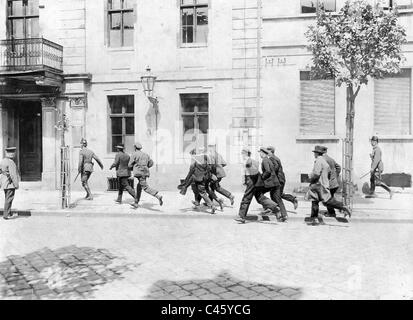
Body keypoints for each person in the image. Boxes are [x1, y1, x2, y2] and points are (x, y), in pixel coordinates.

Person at [305, 146, 351, 224]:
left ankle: (342, 206)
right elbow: (329, 172)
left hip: (318, 185)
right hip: (323, 184)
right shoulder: (324, 161)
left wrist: (310, 177)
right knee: (316, 201)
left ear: (317, 153)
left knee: (325, 201)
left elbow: (316, 174)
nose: (314, 154)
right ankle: (314, 218)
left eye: (315, 153)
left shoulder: (318, 161)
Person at [235, 148, 277, 224]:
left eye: (242, 154)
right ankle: (273, 206)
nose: (242, 155)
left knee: (246, 198)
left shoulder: (247, 161)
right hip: (256, 181)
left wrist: (244, 181)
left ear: (245, 154)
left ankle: (241, 216)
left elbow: (245, 172)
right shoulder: (253, 161)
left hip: (251, 181)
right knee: (259, 197)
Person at [128, 142, 163, 207]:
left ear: (135, 147)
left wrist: (134, 168)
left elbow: (129, 165)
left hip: (139, 173)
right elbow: (151, 163)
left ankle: (158, 196)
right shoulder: (145, 154)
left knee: (145, 187)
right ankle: (136, 202)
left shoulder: (134, 154)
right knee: (139, 187)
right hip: (145, 172)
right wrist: (146, 167)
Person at [258, 147, 288, 222]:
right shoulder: (269, 159)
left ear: (263, 153)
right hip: (275, 182)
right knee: (277, 198)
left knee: (259, 193)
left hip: (271, 182)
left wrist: (262, 177)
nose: (260, 154)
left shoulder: (265, 160)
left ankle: (269, 208)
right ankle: (284, 215)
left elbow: (268, 171)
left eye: (260, 153)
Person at [267, 146, 298, 210]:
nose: (266, 152)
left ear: (271, 151)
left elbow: (275, 167)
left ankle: (278, 209)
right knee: (277, 194)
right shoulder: (275, 158)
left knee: (275, 195)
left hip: (278, 180)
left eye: (267, 151)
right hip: (280, 179)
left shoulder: (272, 158)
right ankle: (292, 200)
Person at [109, 144, 137, 208]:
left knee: (126, 186)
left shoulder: (118, 155)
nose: (117, 149)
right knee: (121, 186)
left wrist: (111, 167)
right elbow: (130, 164)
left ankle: (136, 197)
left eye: (117, 148)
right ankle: (119, 199)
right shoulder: (127, 155)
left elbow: (115, 163)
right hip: (127, 172)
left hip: (121, 173)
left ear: (119, 149)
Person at [321, 146, 342, 216]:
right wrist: (335, 175)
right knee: (330, 197)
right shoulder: (331, 159)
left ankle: (333, 212)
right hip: (334, 183)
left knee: (327, 199)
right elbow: (338, 167)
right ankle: (332, 211)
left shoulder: (322, 160)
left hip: (328, 183)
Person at [0, 147, 20, 220]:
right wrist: (16, 184)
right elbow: (13, 175)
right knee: (9, 199)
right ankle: (6, 214)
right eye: (13, 152)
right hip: (9, 183)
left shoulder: (3, 161)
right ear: (13, 154)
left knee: (7, 198)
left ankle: (9, 212)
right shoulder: (11, 162)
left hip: (4, 183)